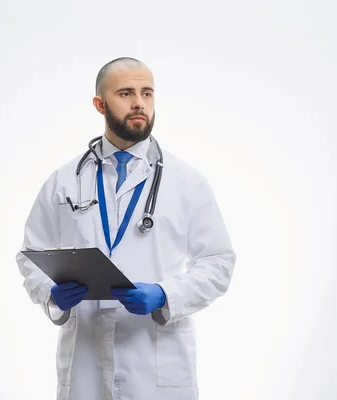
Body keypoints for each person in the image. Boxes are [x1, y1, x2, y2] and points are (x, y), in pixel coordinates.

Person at [15, 57, 236, 400]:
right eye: (126, 93)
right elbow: (32, 255)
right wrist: (50, 294)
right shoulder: (63, 182)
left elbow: (219, 262)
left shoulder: (186, 182)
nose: (139, 103)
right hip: (86, 363)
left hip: (157, 364)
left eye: (147, 93)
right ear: (100, 104)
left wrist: (166, 295)